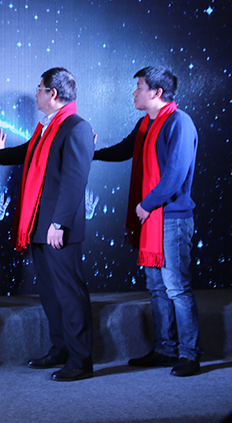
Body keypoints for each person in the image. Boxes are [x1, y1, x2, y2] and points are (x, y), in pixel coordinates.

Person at [0, 67, 94, 381]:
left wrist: (59, 223)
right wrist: (1, 153)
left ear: (53, 94)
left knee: (69, 293)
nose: (36, 94)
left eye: (39, 88)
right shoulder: (47, 127)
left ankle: (80, 360)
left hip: (58, 228)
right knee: (49, 292)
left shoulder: (76, 127)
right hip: (38, 224)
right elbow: (29, 152)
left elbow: (75, 180)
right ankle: (60, 348)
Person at [94, 66, 200, 377]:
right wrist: (91, 153)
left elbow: (175, 174)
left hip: (171, 218)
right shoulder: (146, 124)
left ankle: (189, 354)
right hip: (152, 219)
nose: (134, 92)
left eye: (139, 87)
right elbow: (124, 150)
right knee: (157, 287)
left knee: (176, 288)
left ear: (156, 92)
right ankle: (165, 349)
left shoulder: (179, 122)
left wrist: (146, 204)